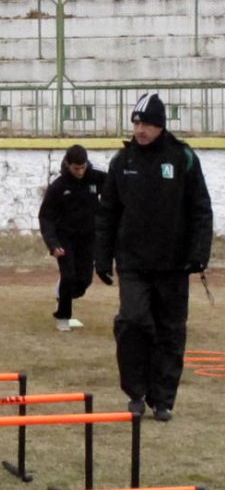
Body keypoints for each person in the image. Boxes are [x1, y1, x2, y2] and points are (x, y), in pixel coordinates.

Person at [96, 93, 213, 422]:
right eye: (136, 122)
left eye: (146, 123)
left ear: (160, 126)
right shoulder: (122, 162)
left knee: (170, 331)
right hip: (133, 262)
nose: (140, 129)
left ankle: (163, 399)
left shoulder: (182, 158)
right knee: (132, 321)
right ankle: (136, 391)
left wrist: (198, 253)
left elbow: (200, 209)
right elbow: (107, 214)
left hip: (173, 264)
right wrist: (102, 257)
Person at [39, 144, 106, 332]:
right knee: (68, 276)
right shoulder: (58, 187)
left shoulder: (95, 178)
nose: (80, 172)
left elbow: (115, 189)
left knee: (84, 281)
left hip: (88, 237)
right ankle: (63, 317)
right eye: (76, 168)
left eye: (83, 167)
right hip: (64, 239)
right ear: (68, 165)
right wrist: (52, 244)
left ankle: (63, 292)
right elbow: (46, 217)